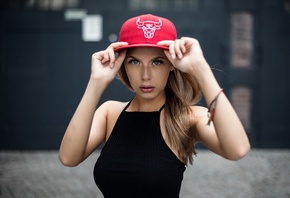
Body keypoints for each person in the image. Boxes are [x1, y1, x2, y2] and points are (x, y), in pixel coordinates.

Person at [59, 14, 250, 197]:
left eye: (157, 62)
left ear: (172, 64)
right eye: (135, 62)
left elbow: (238, 149)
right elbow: (69, 158)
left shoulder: (188, 118)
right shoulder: (109, 113)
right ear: (122, 63)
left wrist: (201, 70)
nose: (145, 75)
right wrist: (96, 82)